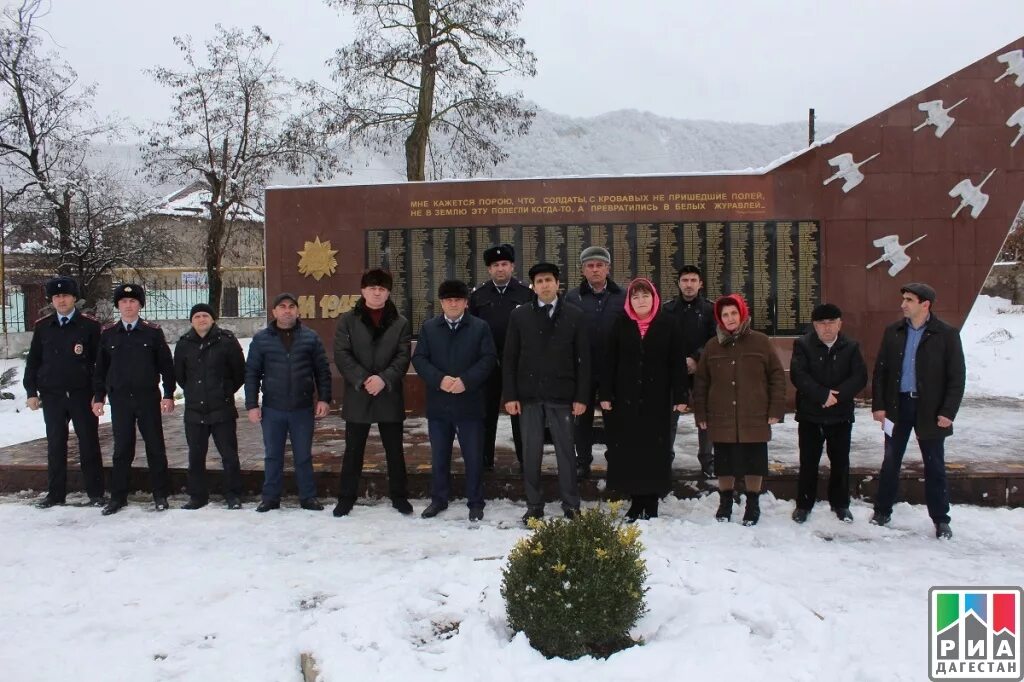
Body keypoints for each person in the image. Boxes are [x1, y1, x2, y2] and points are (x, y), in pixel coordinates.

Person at [870, 283, 965, 539]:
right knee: (890, 461)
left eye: (909, 300)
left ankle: (940, 519)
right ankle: (882, 510)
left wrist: (948, 411)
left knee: (934, 465)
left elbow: (956, 377)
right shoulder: (893, 332)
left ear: (925, 304)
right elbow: (881, 372)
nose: (903, 304)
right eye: (903, 299)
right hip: (897, 407)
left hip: (930, 409)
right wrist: (879, 406)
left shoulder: (946, 334)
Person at [503, 262, 589, 524]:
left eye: (549, 280)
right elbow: (510, 358)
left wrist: (582, 397)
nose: (544, 285)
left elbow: (583, 359)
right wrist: (511, 395)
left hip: (562, 395)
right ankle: (534, 504)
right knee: (531, 453)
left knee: (566, 452)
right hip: (529, 395)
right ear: (533, 286)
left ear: (557, 283)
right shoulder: (520, 316)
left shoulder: (575, 315)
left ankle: (571, 503)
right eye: (539, 281)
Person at [693, 293, 786, 526]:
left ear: (742, 313)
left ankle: (752, 503)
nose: (730, 318)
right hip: (721, 414)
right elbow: (702, 382)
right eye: (725, 314)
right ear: (720, 319)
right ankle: (725, 502)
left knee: (754, 460)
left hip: (754, 413)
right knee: (724, 462)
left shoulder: (761, 341)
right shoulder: (712, 345)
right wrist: (701, 414)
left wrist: (775, 409)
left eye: (734, 313)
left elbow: (776, 376)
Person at [600, 278, 688, 522]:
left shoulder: (668, 324)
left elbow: (677, 362)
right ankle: (636, 502)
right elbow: (610, 361)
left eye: (645, 296)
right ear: (629, 301)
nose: (641, 301)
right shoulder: (620, 324)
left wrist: (681, 394)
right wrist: (605, 394)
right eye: (636, 297)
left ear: (654, 298)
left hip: (657, 399)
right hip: (627, 399)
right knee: (632, 451)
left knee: (655, 451)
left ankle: (652, 503)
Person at [411, 279, 496, 522]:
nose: (453, 303)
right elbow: (420, 359)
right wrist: (439, 379)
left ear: (466, 302)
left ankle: (476, 502)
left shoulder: (480, 327)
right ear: (441, 303)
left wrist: (466, 381)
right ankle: (438, 499)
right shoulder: (429, 328)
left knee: (473, 456)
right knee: (439, 456)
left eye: (458, 299)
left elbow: (488, 358)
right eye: (448, 300)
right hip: (440, 403)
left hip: (470, 402)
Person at [332, 269, 414, 517]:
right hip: (359, 393)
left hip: (388, 392)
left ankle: (399, 497)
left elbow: (402, 357)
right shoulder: (348, 320)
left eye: (381, 289)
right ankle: (346, 498)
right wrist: (363, 378)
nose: (376, 293)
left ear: (388, 292)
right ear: (363, 291)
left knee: (395, 451)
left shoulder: (400, 322)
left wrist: (384, 378)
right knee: (353, 450)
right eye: (372, 288)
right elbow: (341, 355)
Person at [92, 283, 176, 515]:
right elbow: (101, 369)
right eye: (123, 302)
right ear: (118, 305)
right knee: (122, 449)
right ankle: (118, 497)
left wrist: (168, 394)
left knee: (155, 447)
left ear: (140, 305)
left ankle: (160, 494)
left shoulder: (152, 332)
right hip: (120, 400)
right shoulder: (108, 334)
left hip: (147, 397)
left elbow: (166, 366)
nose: (128, 306)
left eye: (133, 301)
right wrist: (99, 397)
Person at [245, 293, 332, 513]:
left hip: (302, 408)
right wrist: (251, 405)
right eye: (282, 307)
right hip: (273, 409)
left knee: (303, 455)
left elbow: (322, 371)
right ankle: (270, 498)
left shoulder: (310, 337)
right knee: (273, 455)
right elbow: (252, 374)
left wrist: (324, 398)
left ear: (297, 311)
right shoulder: (262, 339)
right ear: (274, 312)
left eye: (291, 306)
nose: (287, 310)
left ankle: (308, 497)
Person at [23, 276, 105, 508]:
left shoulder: (89, 326)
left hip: (81, 394)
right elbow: (34, 361)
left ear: (74, 298)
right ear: (52, 300)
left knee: (89, 443)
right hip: (53, 396)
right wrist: (31, 391)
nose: (61, 300)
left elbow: (99, 364)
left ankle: (96, 493)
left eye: (65, 296)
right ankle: (55, 494)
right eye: (57, 296)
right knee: (56, 444)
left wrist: (98, 394)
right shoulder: (43, 326)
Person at [789, 303, 867, 524]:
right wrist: (821, 395)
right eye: (822, 323)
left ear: (840, 323)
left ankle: (841, 504)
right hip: (810, 415)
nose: (827, 328)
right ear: (814, 325)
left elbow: (859, 377)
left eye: (831, 322)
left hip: (840, 415)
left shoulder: (851, 346)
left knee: (841, 461)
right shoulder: (803, 345)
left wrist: (837, 396)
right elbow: (798, 374)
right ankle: (804, 504)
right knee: (808, 461)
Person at [173, 302, 246, 510]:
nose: (201, 319)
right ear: (191, 321)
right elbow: (180, 374)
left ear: (213, 319)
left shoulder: (227, 341)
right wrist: (195, 392)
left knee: (229, 455)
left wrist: (223, 390)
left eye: (205, 315)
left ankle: (233, 495)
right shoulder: (184, 344)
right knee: (196, 456)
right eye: (197, 316)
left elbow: (239, 372)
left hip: (222, 409)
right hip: (195, 411)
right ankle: (197, 496)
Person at [469, 243, 533, 471]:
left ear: (513, 266)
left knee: (520, 413)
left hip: (519, 364)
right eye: (495, 265)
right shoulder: (478, 296)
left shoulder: (526, 294)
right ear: (489, 269)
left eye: (504, 264)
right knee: (486, 413)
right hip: (489, 364)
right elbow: (471, 330)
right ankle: (485, 459)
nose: (500, 269)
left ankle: (525, 459)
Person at [565, 245, 626, 479]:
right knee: (582, 418)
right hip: (583, 368)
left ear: (608, 268)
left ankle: (617, 459)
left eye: (600, 265)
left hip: (613, 369)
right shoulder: (572, 297)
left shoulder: (622, 295)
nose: (595, 270)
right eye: (590, 266)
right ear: (583, 270)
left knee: (614, 418)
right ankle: (582, 461)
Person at [662, 265, 717, 476]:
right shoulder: (667, 310)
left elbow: (714, 339)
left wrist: (696, 358)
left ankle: (707, 460)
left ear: (700, 284)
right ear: (678, 283)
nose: (689, 285)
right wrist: (679, 361)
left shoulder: (710, 310)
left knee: (705, 417)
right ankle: (666, 460)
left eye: (693, 280)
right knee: (670, 418)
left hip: (702, 370)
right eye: (685, 280)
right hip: (674, 372)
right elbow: (663, 339)